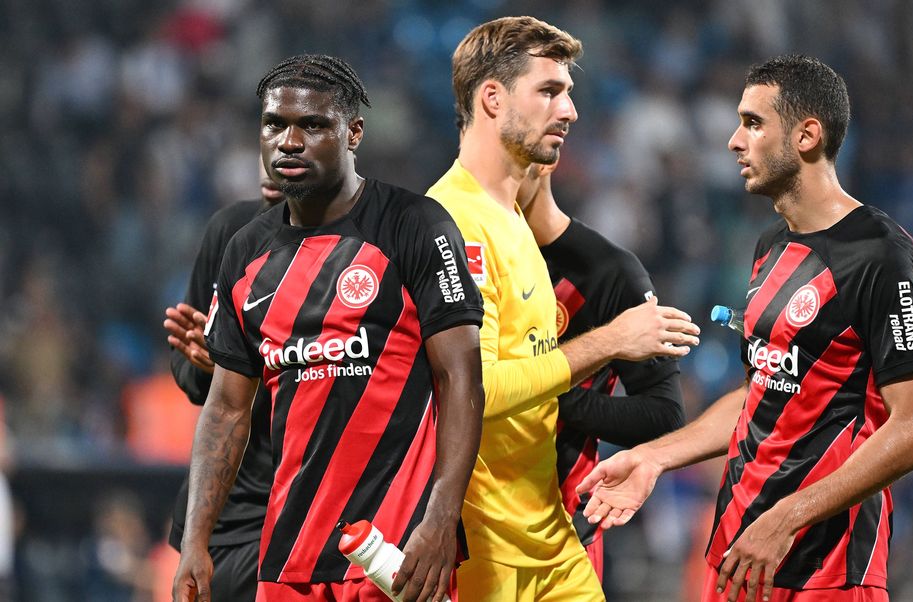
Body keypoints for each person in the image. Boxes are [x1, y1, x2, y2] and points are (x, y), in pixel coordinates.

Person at [578, 54, 913, 602]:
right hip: (738, 556)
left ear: (806, 135)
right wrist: (654, 456)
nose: (732, 140)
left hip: (825, 572)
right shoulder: (770, 249)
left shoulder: (881, 257)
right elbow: (758, 395)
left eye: (753, 123)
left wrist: (787, 519)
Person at [172, 54, 484, 602]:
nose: (289, 141)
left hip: (394, 553)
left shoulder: (415, 225)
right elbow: (224, 407)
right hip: (288, 558)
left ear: (353, 133)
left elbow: (460, 380)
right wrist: (197, 540)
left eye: (313, 125)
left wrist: (440, 519)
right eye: (274, 124)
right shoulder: (244, 249)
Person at [426, 16, 700, 601]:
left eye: (569, 92)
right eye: (550, 91)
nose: (570, 109)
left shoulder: (512, 223)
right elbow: (475, 390)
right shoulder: (452, 222)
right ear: (492, 98)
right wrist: (609, 341)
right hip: (487, 549)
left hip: (553, 540)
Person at [515, 161, 686, 580]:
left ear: (545, 157)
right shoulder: (458, 254)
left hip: (560, 539)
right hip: (465, 530)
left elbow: (664, 416)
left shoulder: (609, 272)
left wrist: (536, 397)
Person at [162, 161, 284, 602]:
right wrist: (204, 365)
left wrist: (241, 367)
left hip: (301, 506)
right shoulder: (231, 231)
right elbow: (191, 375)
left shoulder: (354, 246)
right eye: (265, 138)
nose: (273, 159)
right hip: (227, 513)